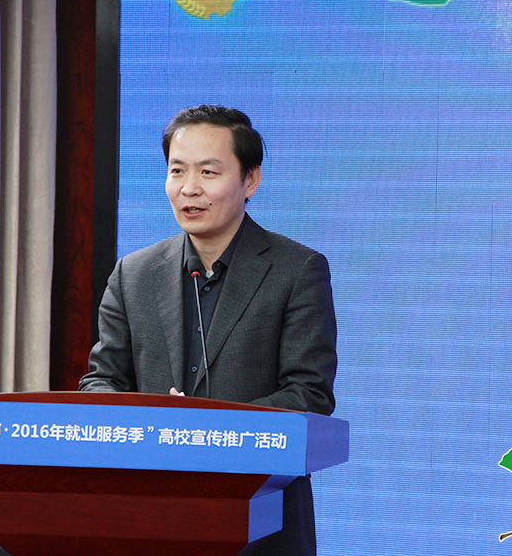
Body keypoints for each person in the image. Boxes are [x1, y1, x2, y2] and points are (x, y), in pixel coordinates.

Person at [79, 105, 337, 555]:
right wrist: (152, 424)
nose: (189, 188)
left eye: (208, 172)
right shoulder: (133, 274)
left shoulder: (297, 270)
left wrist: (205, 429)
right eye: (177, 170)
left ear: (250, 181)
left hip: (262, 518)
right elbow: (101, 382)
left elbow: (309, 393)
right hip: (152, 513)